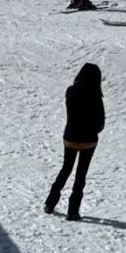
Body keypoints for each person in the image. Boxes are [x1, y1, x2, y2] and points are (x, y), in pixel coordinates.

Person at [44, 63, 105, 220]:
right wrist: (94, 130)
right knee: (81, 174)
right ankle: (73, 211)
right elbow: (100, 122)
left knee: (65, 169)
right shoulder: (96, 96)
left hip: (70, 137)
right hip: (89, 140)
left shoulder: (71, 92)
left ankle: (50, 203)